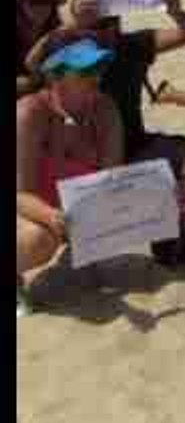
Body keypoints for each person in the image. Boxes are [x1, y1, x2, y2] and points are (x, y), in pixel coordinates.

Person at [25, 0, 185, 165]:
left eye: (111, 20)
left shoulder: (133, 44)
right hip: (85, 148)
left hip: (133, 142)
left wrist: (175, 11)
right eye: (96, 25)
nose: (105, 29)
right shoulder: (75, 53)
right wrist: (71, 23)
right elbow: (32, 63)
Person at [16, 39, 125, 315]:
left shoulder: (105, 108)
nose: (97, 76)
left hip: (75, 207)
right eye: (85, 70)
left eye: (99, 67)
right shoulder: (30, 113)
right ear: (55, 76)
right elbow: (20, 194)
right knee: (38, 240)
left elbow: (112, 176)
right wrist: (51, 216)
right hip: (31, 205)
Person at [16, 0, 65, 99]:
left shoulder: (57, 33)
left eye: (46, 3)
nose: (40, 8)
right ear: (21, 5)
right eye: (33, 3)